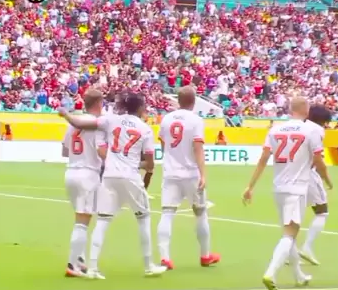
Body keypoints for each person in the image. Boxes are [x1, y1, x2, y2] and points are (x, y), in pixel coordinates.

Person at [59, 92, 166, 279]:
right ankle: (148, 265)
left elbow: (67, 148)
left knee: (101, 220)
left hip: (93, 174)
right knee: (142, 219)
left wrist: (66, 115)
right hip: (110, 174)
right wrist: (136, 163)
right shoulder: (144, 128)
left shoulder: (109, 120)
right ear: (140, 107)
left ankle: (90, 266)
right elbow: (148, 163)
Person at [242, 95, 330, 290]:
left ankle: (298, 275)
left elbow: (263, 159)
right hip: (296, 188)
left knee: (288, 233)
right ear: (306, 110)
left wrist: (250, 186)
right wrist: (327, 180)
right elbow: (318, 160)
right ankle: (271, 273)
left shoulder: (275, 130)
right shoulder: (311, 130)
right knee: (290, 234)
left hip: (278, 188)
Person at [157, 86, 220, 269]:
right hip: (191, 173)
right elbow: (197, 148)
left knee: (167, 213)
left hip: (171, 173)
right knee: (200, 213)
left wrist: (170, 159)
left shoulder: (167, 119)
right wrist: (203, 174)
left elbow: (163, 144)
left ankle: (165, 257)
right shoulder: (196, 120)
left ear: (178, 100)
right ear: (194, 102)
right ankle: (205, 255)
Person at [61, 88, 104, 278]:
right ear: (99, 103)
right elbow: (102, 152)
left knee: (80, 218)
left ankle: (79, 260)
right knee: (82, 222)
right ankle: (72, 265)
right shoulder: (97, 124)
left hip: (71, 172)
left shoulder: (73, 124)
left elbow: (64, 151)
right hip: (88, 174)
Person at [299, 104, 333, 266]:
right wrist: (327, 179)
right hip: (308, 174)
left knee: (295, 215)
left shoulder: (300, 126)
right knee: (322, 212)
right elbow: (317, 159)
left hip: (292, 174)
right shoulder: (317, 131)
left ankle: (288, 251)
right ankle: (307, 247)